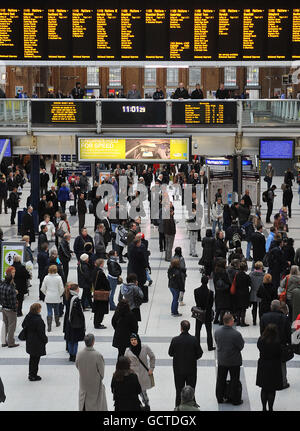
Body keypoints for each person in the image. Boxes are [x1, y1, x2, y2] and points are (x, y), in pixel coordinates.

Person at [168, 320, 203, 407]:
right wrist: (193, 358)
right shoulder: (194, 339)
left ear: (181, 328)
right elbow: (199, 353)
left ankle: (178, 407)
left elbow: (170, 353)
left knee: (179, 390)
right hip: (191, 370)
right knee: (191, 389)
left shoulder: (175, 340)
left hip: (178, 370)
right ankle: (192, 406)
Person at [260, 300, 291, 390]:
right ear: (279, 308)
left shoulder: (264, 317)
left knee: (268, 363)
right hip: (280, 344)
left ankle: (269, 380)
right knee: (282, 364)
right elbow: (288, 332)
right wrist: (288, 343)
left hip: (267, 344)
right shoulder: (284, 318)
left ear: (271, 307)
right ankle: (283, 382)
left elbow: (262, 332)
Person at [214, 312, 244, 405]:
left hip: (222, 360)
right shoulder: (236, 334)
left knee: (220, 379)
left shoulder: (217, 332)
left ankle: (220, 398)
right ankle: (235, 399)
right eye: (233, 320)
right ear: (230, 321)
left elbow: (217, 341)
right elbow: (241, 346)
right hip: (234, 361)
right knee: (234, 379)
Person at [75, 333, 107, 411]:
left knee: (84, 402)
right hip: (95, 384)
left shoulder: (79, 354)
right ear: (93, 342)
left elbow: (77, 366)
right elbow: (102, 373)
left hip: (83, 383)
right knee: (96, 404)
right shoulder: (97, 355)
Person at [256, 323, 283, 411]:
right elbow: (280, 353)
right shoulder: (277, 342)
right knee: (272, 389)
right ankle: (270, 408)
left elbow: (259, 348)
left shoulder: (261, 340)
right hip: (274, 366)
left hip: (263, 365)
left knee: (264, 388)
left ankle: (264, 408)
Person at [125, 333, 156, 411]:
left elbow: (152, 357)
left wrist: (151, 368)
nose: (133, 341)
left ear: (138, 339)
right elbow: (125, 363)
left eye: (135, 339)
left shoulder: (145, 347)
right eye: (131, 340)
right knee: (133, 394)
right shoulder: (128, 351)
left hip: (143, 374)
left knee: (143, 393)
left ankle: (147, 407)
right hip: (133, 376)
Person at [20, 303, 48, 382]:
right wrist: (45, 340)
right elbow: (41, 332)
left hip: (30, 340)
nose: (40, 310)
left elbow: (23, 325)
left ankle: (31, 374)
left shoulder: (28, 316)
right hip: (37, 342)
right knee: (36, 359)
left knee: (32, 358)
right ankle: (33, 375)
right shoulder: (38, 320)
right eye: (40, 308)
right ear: (37, 310)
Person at [63, 283, 86, 362]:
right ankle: (74, 355)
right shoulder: (76, 299)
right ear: (75, 290)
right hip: (75, 322)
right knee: (75, 341)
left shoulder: (68, 296)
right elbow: (79, 312)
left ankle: (70, 355)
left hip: (69, 322)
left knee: (70, 340)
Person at [194, 275, 215, 351]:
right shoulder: (211, 292)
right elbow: (211, 304)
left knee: (197, 331)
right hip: (208, 313)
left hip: (199, 312)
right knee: (209, 331)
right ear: (207, 282)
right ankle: (210, 346)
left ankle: (197, 347)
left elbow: (196, 301)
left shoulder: (196, 291)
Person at [41, 265, 64, 332]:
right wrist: (59, 295)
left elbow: (42, 288)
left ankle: (49, 326)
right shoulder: (59, 278)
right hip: (56, 296)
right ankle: (57, 323)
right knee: (56, 310)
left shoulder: (46, 277)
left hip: (48, 297)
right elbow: (61, 288)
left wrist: (47, 294)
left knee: (49, 311)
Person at [0, 266, 19, 348]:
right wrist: (15, 309)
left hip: (4, 308)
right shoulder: (11, 289)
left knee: (5, 325)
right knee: (12, 326)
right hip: (11, 309)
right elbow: (13, 301)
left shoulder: (2, 285)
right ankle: (11, 342)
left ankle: (3, 342)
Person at [92, 258, 111, 329]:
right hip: (101, 293)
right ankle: (98, 323)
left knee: (97, 310)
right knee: (100, 310)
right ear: (101, 264)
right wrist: (108, 288)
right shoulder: (100, 273)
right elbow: (105, 283)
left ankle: (96, 323)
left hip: (96, 291)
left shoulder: (95, 270)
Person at [234, 261, 251, 326]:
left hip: (237, 293)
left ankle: (238, 321)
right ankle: (242, 322)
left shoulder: (237, 275)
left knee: (238, 308)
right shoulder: (246, 276)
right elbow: (249, 284)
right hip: (245, 293)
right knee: (243, 308)